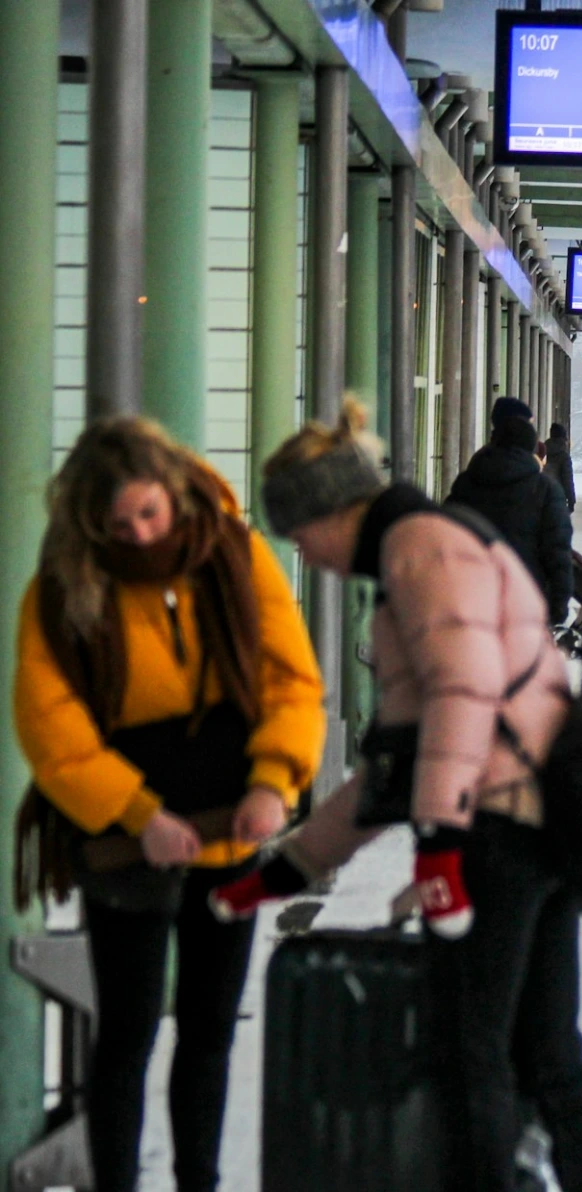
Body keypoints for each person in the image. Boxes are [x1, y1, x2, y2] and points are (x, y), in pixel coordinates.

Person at [210, 403, 582, 1192]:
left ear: (335, 511)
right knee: (547, 1052)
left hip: (495, 828)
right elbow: (398, 758)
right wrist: (288, 869)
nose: (304, 553)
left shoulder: (420, 551)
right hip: (538, 815)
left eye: (301, 533)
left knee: (471, 1055)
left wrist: (437, 846)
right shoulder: (429, 543)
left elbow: (461, 697)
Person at [10, 418, 324, 1192]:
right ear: (90, 523)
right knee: (127, 1030)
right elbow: (51, 726)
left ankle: (199, 1182)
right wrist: (135, 813)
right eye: (119, 526)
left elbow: (292, 679)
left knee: (211, 1030)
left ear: (176, 493)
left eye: (150, 514)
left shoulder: (235, 555)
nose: (141, 535)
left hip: (233, 824)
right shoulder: (63, 589)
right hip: (124, 842)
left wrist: (273, 782)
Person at [447, 417, 573, 626]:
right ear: (531, 448)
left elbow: (448, 535)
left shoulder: (466, 483)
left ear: (492, 442)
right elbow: (558, 551)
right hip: (527, 598)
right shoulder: (545, 489)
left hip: (473, 595)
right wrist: (558, 606)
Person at [543, 423, 576, 515]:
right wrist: (571, 500)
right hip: (558, 497)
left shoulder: (542, 452)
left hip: (541, 495)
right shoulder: (564, 456)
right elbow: (567, 480)